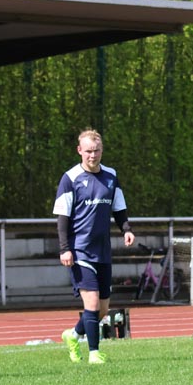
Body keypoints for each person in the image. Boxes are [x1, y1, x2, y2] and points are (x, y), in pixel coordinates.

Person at [53, 129, 134, 365]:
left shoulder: (111, 175)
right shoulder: (70, 178)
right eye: (88, 151)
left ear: (102, 150)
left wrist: (126, 230)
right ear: (79, 150)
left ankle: (73, 334)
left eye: (96, 150)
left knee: (102, 310)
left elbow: (119, 208)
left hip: (103, 251)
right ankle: (94, 353)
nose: (93, 155)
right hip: (79, 250)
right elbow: (62, 218)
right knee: (92, 303)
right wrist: (64, 248)